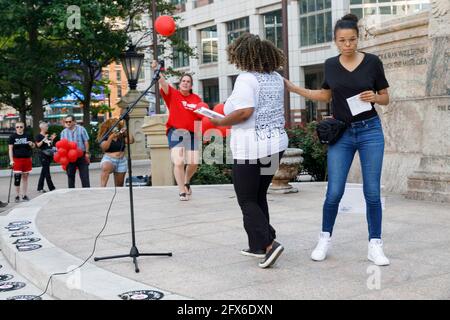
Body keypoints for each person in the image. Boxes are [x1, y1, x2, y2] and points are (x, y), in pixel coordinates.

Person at [285, 14, 391, 266]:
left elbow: (386, 97)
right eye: (342, 40)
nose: (348, 45)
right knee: (334, 192)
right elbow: (325, 95)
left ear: (358, 38)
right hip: (342, 134)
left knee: (372, 192)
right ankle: (324, 239)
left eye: (352, 39)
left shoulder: (373, 62)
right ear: (335, 41)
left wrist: (374, 98)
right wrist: (294, 88)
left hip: (369, 132)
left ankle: (375, 244)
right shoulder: (331, 64)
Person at [210, 33, 288, 269]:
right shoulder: (275, 77)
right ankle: (258, 244)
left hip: (251, 148)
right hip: (276, 145)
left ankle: (268, 244)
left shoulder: (246, 79)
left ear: (242, 54)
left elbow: (245, 111)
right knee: (258, 195)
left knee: (246, 198)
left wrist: (220, 122)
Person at [152, 60, 203, 201]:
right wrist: (157, 69)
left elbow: (199, 117)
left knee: (193, 162)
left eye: (188, 81)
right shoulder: (172, 94)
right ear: (179, 83)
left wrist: (199, 135)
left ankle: (186, 180)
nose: (185, 83)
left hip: (192, 134)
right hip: (175, 132)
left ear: (191, 85)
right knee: (179, 162)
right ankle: (182, 190)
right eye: (183, 81)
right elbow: (162, 83)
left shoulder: (196, 99)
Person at [97, 119, 134, 187]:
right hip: (109, 159)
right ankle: (102, 188)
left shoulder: (121, 137)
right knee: (106, 167)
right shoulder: (105, 137)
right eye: (114, 127)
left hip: (121, 161)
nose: (116, 129)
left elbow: (131, 140)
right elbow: (105, 147)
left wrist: (126, 131)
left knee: (119, 185)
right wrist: (111, 138)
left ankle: (118, 196)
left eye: (117, 127)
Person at [60, 115, 91, 188]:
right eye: (66, 122)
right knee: (70, 176)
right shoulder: (63, 132)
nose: (68, 123)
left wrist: (87, 152)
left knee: (84, 176)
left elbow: (86, 141)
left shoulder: (81, 129)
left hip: (81, 155)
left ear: (74, 122)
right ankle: (71, 193)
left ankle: (87, 192)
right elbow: (62, 146)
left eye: (69, 121)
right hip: (70, 157)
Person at [8, 121, 35, 202]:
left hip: (27, 159)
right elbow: (10, 149)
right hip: (17, 159)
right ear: (15, 128)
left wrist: (31, 144)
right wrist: (11, 160)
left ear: (23, 127)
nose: (19, 128)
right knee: (17, 178)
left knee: (25, 178)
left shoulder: (28, 135)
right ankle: (17, 195)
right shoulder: (12, 136)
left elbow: (33, 146)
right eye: (17, 127)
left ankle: (24, 195)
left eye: (21, 127)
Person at [35, 121, 56, 193]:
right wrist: (43, 139)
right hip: (43, 155)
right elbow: (38, 145)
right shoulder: (38, 136)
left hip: (48, 155)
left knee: (44, 172)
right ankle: (52, 188)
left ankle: (40, 188)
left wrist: (52, 139)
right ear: (42, 128)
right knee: (47, 172)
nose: (48, 127)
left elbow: (50, 146)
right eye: (46, 126)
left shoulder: (47, 135)